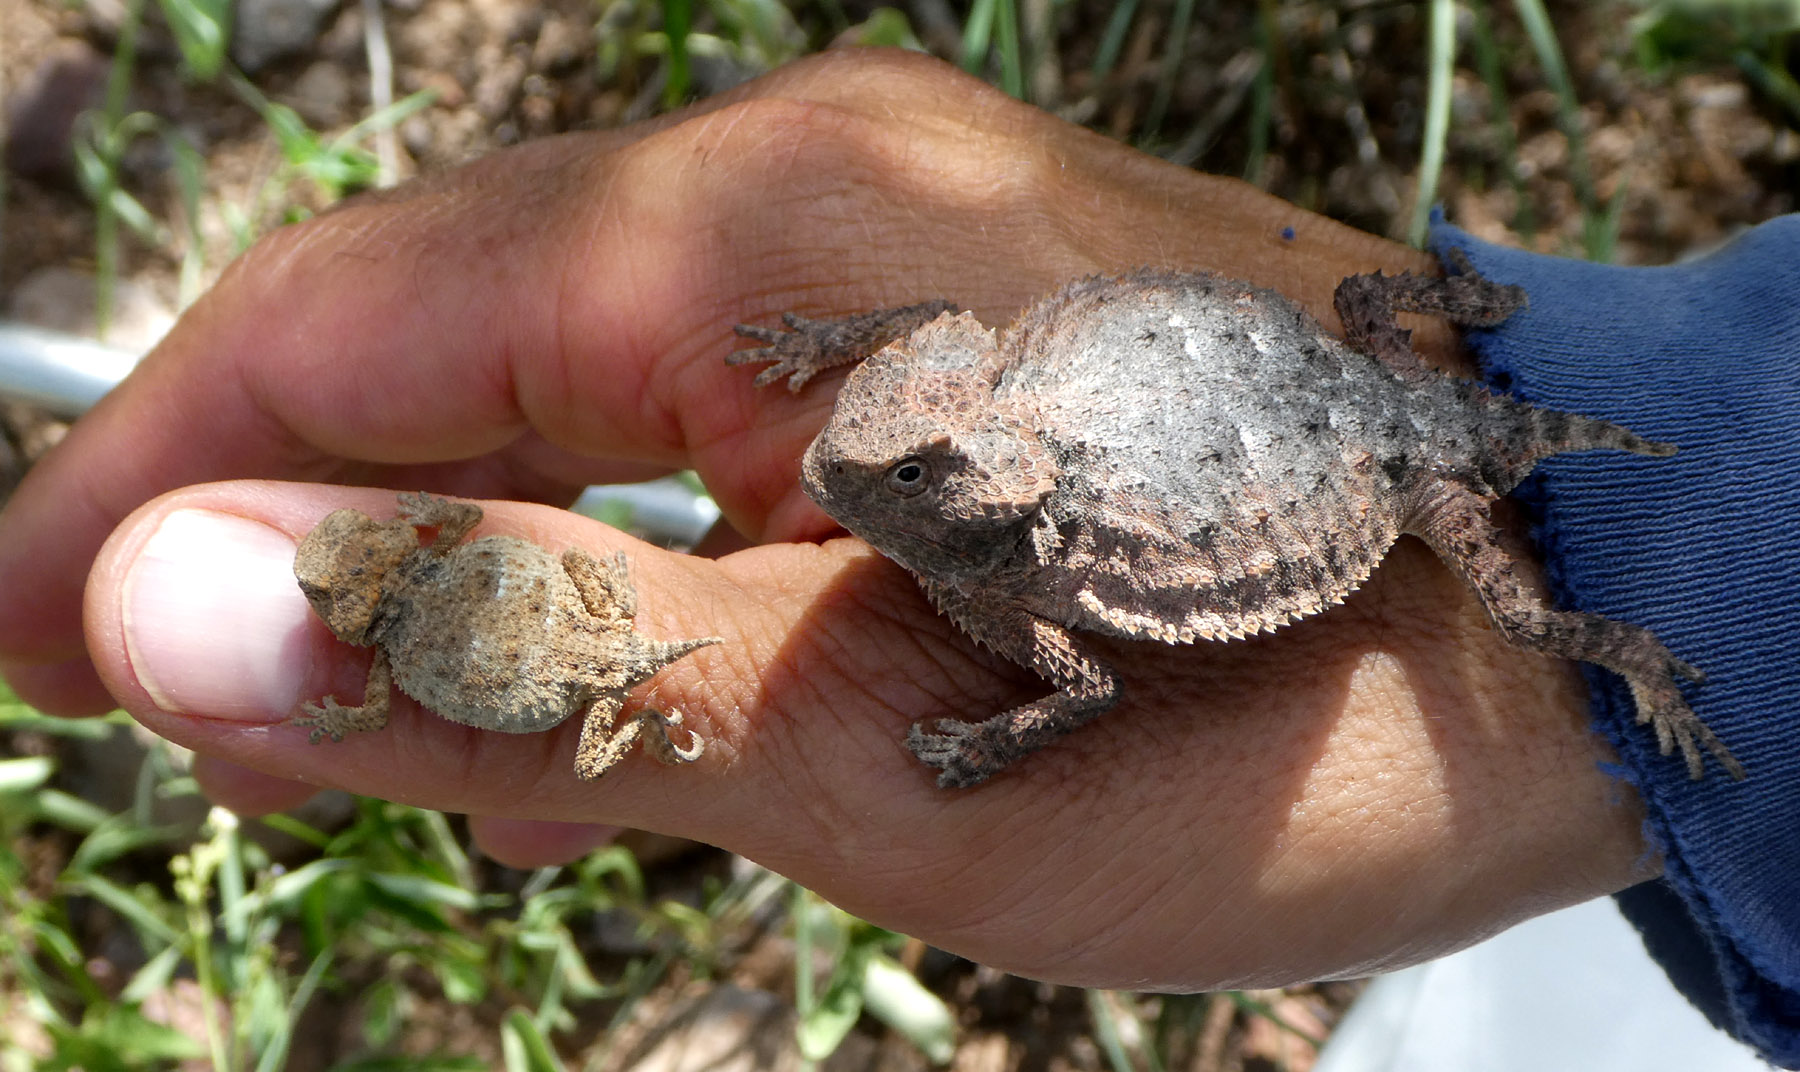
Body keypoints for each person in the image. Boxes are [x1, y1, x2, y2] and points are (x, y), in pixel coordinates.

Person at [0, 48, 1794, 1063]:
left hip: (1364, 467)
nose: (868, 466)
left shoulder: (1021, 563)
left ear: (977, 510)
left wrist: (973, 743)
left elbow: (1083, 681)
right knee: (1496, 386)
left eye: (905, 478)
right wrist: (808, 355)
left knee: (1531, 593)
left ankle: (1643, 650)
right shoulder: (946, 387)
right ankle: (1582, 402)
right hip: (1304, 367)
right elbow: (926, 334)